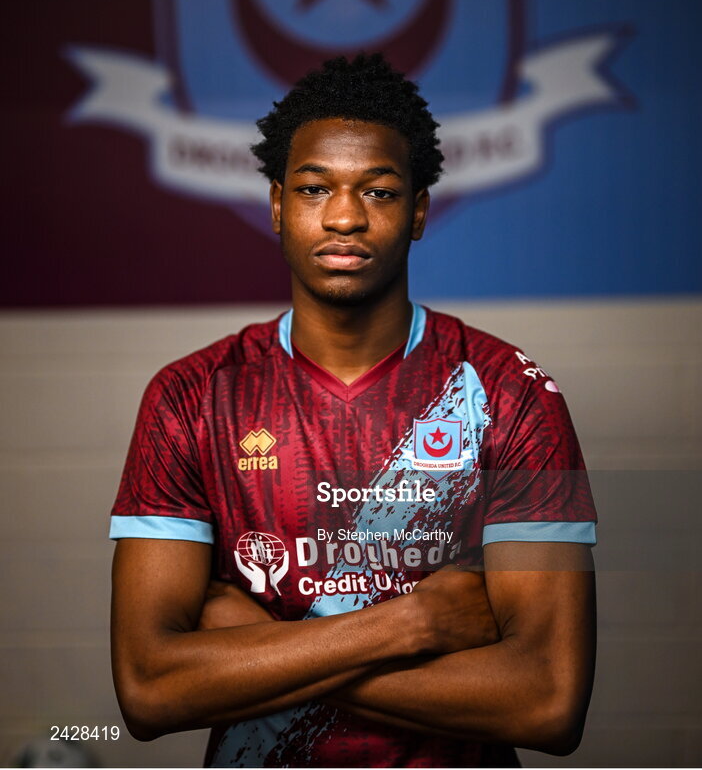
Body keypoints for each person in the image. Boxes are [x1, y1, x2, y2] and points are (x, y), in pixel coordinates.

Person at [110, 53, 597, 768]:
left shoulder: (514, 394)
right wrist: (409, 624)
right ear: (277, 205)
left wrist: (257, 646)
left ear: (419, 211)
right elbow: (150, 691)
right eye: (313, 188)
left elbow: (548, 702)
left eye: (378, 191)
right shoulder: (191, 396)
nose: (344, 216)